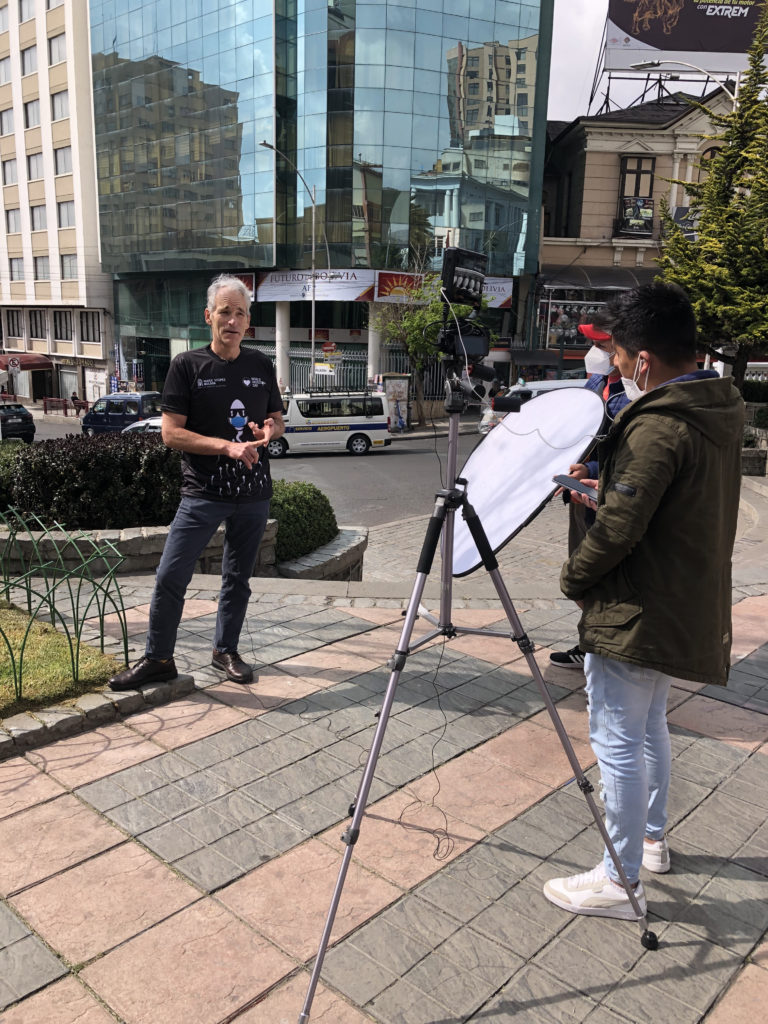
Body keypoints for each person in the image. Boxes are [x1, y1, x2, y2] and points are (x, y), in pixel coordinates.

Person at [543, 282, 743, 921]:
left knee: (618, 738)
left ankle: (619, 879)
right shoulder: (715, 409)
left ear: (646, 361)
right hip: (677, 600)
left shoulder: (656, 426)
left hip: (635, 609)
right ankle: (651, 841)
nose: (618, 370)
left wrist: (575, 578)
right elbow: (656, 504)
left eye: (622, 359)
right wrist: (603, 489)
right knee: (650, 724)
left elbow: (622, 531)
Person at [109, 274, 285, 691]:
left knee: (238, 578)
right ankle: (158, 658)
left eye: (240, 313)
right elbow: (171, 434)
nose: (233, 320)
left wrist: (270, 431)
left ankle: (226, 651)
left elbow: (278, 419)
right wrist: (226, 447)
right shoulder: (187, 366)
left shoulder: (261, 365)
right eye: (225, 312)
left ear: (248, 321)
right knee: (171, 574)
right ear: (209, 316)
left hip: (254, 493)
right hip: (203, 493)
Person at [550, 315, 629, 670]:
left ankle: (603, 650)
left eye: (601, 344)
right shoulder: (595, 383)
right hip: (579, 496)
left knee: (602, 577)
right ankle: (589, 642)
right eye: (592, 343)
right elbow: (578, 431)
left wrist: (592, 470)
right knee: (580, 574)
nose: (593, 351)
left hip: (606, 498)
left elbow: (628, 455)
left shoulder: (634, 394)